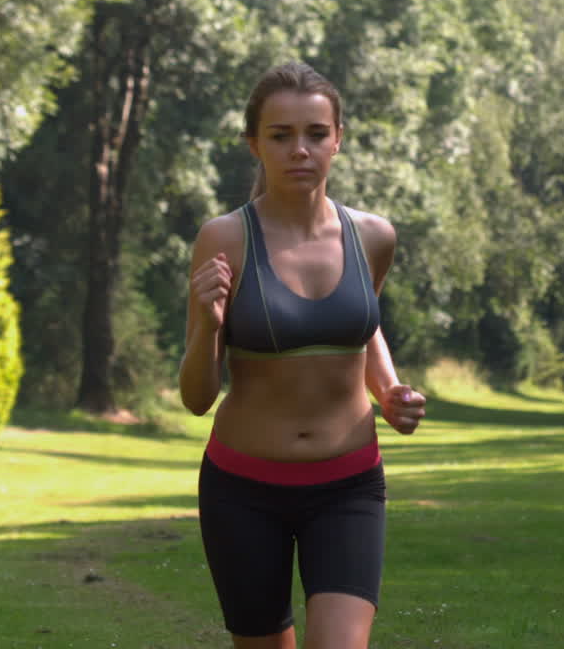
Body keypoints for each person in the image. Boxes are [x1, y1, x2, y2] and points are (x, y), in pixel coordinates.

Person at [178, 61, 427, 649]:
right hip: (242, 490)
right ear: (254, 144)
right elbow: (196, 398)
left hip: (349, 486)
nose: (300, 150)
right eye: (281, 135)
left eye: (316, 133)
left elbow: (359, 326)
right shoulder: (224, 238)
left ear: (337, 139)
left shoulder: (374, 236)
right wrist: (209, 324)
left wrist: (390, 391)